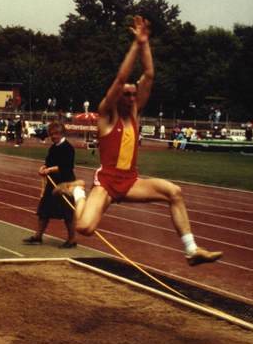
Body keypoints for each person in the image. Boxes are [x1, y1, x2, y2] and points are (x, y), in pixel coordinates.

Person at [54, 16, 222, 267]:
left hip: (130, 181)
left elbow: (149, 74)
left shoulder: (134, 113)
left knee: (174, 192)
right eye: (127, 94)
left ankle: (191, 250)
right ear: (118, 96)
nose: (133, 98)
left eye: (135, 94)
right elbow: (120, 78)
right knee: (85, 228)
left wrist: (145, 43)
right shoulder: (107, 115)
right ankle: (78, 191)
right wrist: (134, 45)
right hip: (107, 183)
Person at [23, 121, 76, 248]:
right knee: (44, 210)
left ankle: (72, 239)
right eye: (51, 134)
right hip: (52, 183)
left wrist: (50, 170)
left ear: (61, 133)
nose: (53, 136)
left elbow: (66, 167)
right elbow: (48, 163)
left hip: (65, 184)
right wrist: (43, 168)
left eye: (55, 134)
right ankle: (38, 236)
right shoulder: (53, 148)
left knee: (67, 213)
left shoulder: (68, 148)